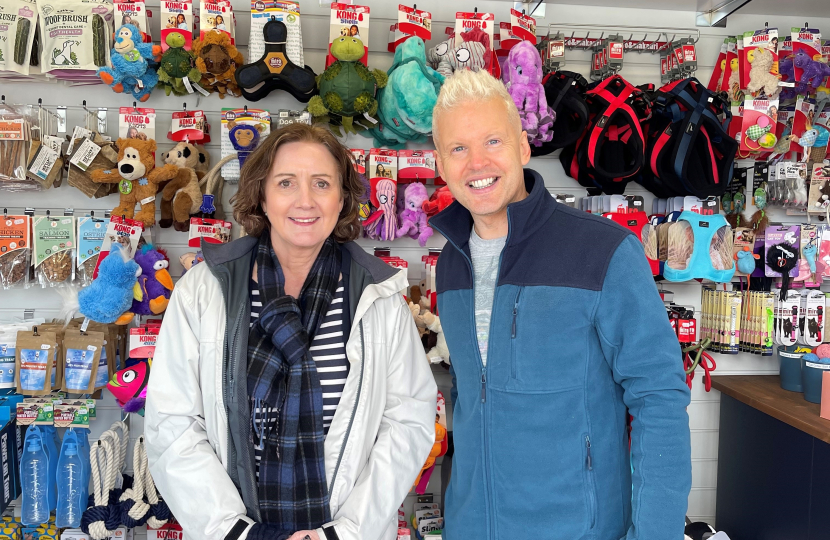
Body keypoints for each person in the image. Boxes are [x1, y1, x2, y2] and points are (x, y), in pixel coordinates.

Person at [428, 68, 692, 539]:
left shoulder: (603, 252)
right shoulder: (450, 263)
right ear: (441, 165)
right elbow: (472, 401)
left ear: (523, 147)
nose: (476, 163)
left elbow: (660, 399)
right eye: (458, 148)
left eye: (492, 141)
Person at [145, 123, 437, 540]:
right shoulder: (204, 289)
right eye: (286, 183)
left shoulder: (378, 295)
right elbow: (172, 424)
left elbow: (408, 420)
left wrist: (343, 533)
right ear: (261, 195)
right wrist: (236, 533)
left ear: (342, 199)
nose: (306, 201)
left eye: (322, 183)